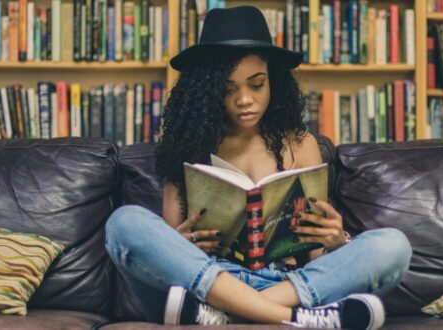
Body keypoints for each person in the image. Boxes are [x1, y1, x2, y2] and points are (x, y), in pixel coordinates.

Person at [104, 6, 412, 330]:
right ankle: (294, 319)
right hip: (207, 282)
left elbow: (315, 256)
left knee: (393, 246)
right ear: (208, 92)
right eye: (228, 89)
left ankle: (232, 316)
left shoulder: (301, 144)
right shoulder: (186, 147)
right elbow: (168, 253)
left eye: (256, 84)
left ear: (273, 82)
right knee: (123, 224)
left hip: (284, 285)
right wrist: (179, 243)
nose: (244, 100)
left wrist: (337, 241)